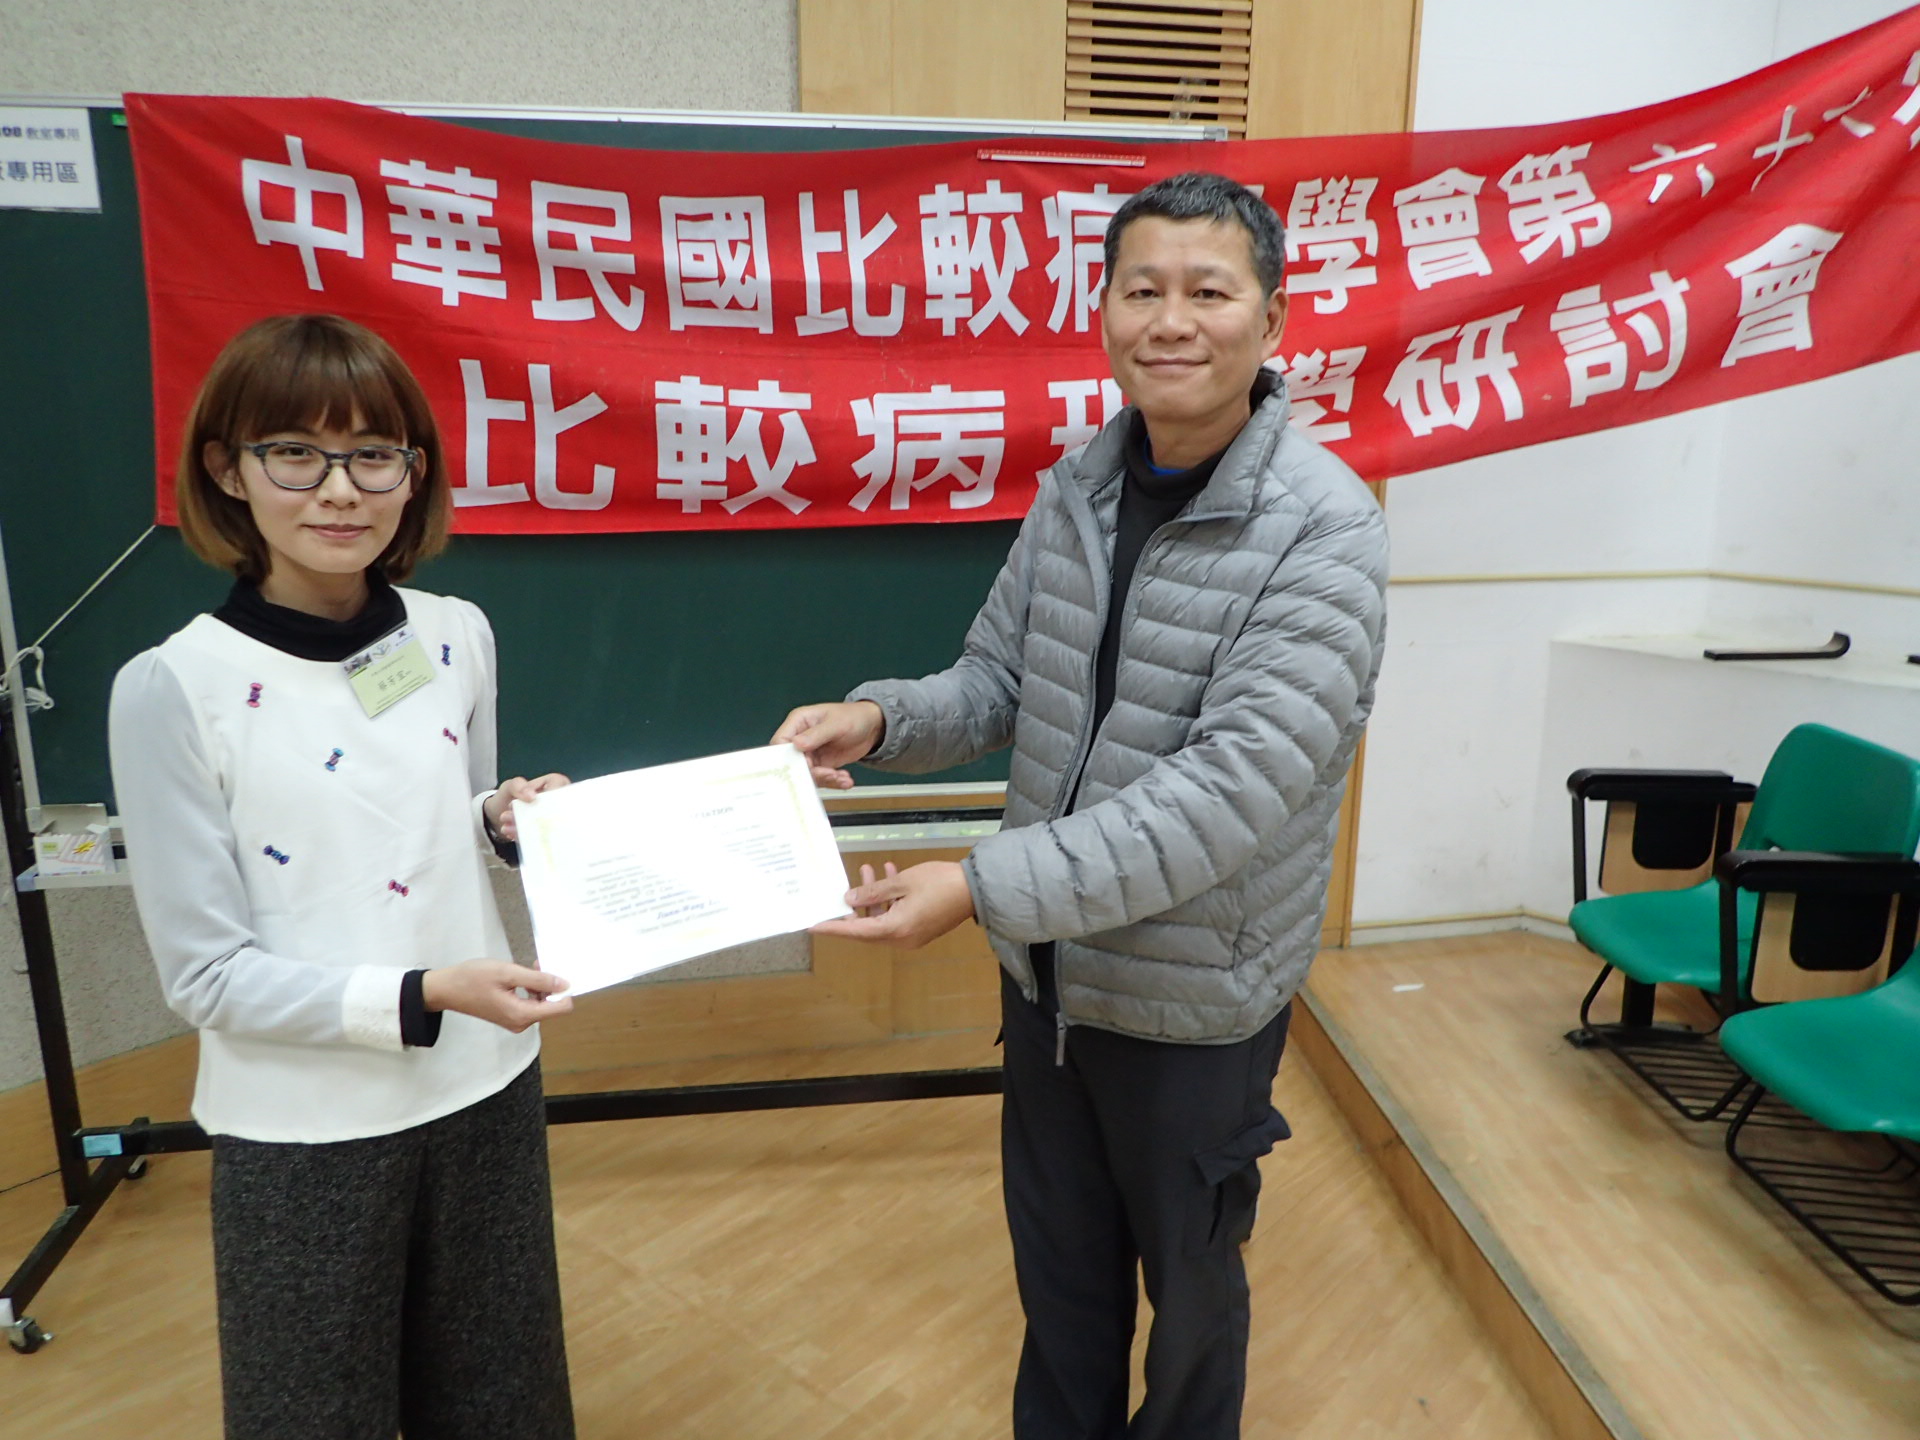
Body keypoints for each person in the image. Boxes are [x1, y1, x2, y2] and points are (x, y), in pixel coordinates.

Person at [773, 172, 1388, 1440]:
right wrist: (877, 719)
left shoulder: (1324, 532)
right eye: (1142, 289)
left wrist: (975, 887)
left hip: (1191, 1003)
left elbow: (1223, 801)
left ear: (1274, 320)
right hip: (1048, 982)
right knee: (1061, 1295)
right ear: (1104, 311)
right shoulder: (1080, 487)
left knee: (1192, 1313)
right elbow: (1000, 676)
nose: (1173, 321)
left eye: (1209, 292)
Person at [109, 314, 577, 1440]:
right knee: (315, 1415)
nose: (339, 490)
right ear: (227, 470)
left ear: (414, 473)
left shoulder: (456, 633)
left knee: (504, 1401)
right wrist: (420, 994)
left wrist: (501, 819)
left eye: (374, 455)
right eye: (294, 453)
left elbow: (435, 822)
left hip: (483, 1084)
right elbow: (205, 976)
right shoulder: (173, 686)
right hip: (304, 1129)